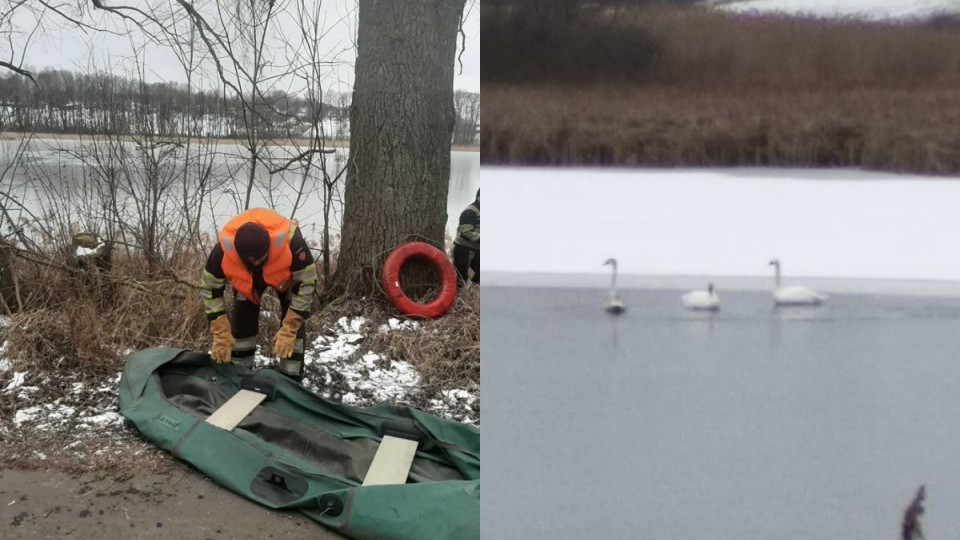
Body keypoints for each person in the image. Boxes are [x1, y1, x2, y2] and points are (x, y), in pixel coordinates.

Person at [200, 208, 317, 381]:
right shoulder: (223, 250)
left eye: (259, 258)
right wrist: (219, 330)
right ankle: (239, 372)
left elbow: (307, 282)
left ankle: (291, 378)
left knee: (292, 329)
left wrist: (290, 326)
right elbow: (210, 288)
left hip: (286, 279)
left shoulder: (292, 242)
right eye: (251, 260)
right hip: (247, 281)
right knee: (242, 321)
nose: (255, 262)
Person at [453, 188, 480, 288]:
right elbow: (466, 232)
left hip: (476, 248)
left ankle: (472, 290)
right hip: (463, 248)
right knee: (461, 278)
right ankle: (459, 299)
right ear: (479, 197)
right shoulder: (470, 211)